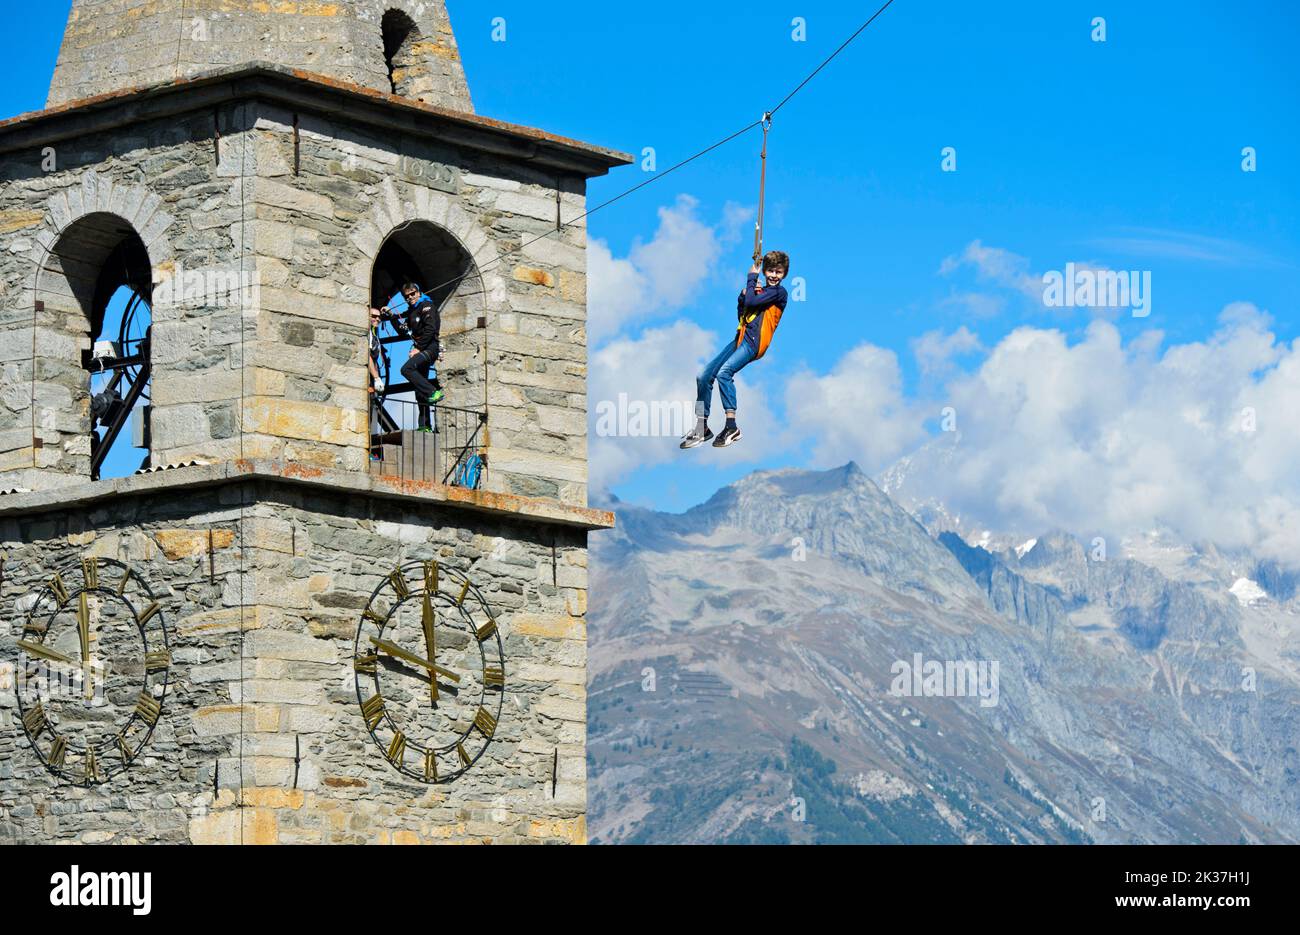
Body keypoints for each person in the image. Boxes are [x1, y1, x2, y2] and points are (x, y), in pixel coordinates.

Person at [681, 250, 790, 449]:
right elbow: (744, 310)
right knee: (703, 376)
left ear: (784, 275)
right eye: (771, 271)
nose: (774, 275)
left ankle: (731, 426)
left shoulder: (778, 293)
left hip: (754, 344)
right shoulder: (761, 291)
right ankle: (701, 426)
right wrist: (744, 295)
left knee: (724, 373)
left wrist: (751, 277)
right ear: (765, 271)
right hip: (740, 339)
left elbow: (752, 302)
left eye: (779, 272)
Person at [395, 282, 444, 432]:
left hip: (430, 348)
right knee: (418, 390)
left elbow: (430, 329)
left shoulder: (427, 306)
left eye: (413, 294)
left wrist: (418, 348)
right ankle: (424, 425)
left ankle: (433, 392)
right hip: (423, 348)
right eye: (407, 296)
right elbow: (402, 330)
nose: (410, 297)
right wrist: (391, 317)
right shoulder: (411, 312)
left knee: (406, 369)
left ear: (418, 292)